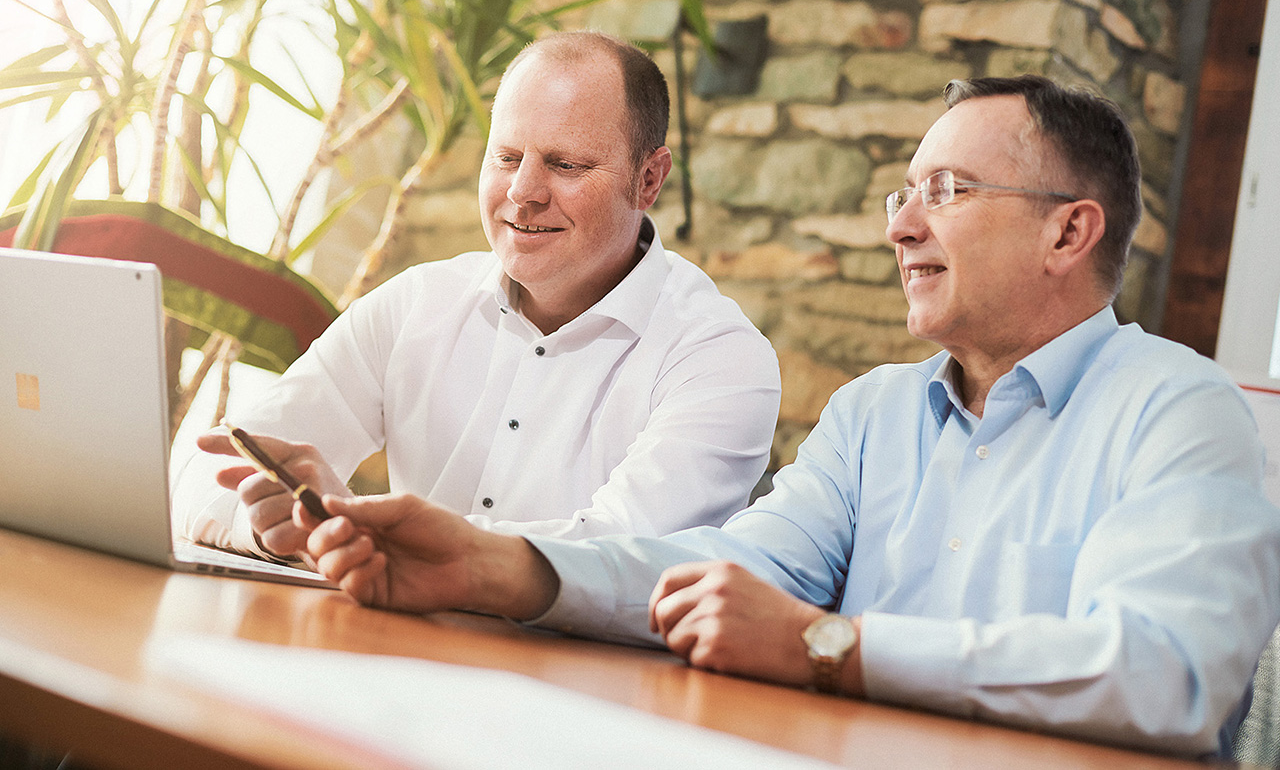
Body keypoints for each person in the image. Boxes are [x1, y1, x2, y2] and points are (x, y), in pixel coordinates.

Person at [202, 75, 1280, 757]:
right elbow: (723, 568)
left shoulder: (1178, 409)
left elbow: (1162, 676)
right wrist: (497, 567)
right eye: (900, 194)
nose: (900, 224)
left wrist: (825, 645)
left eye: (942, 190)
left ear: (1067, 233)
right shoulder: (872, 414)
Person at [173, 31, 781, 559]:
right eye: (507, 156)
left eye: (565, 165)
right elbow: (213, 469)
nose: (523, 191)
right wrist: (280, 528)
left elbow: (623, 554)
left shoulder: (719, 359)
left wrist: (373, 533)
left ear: (648, 178)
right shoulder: (415, 305)